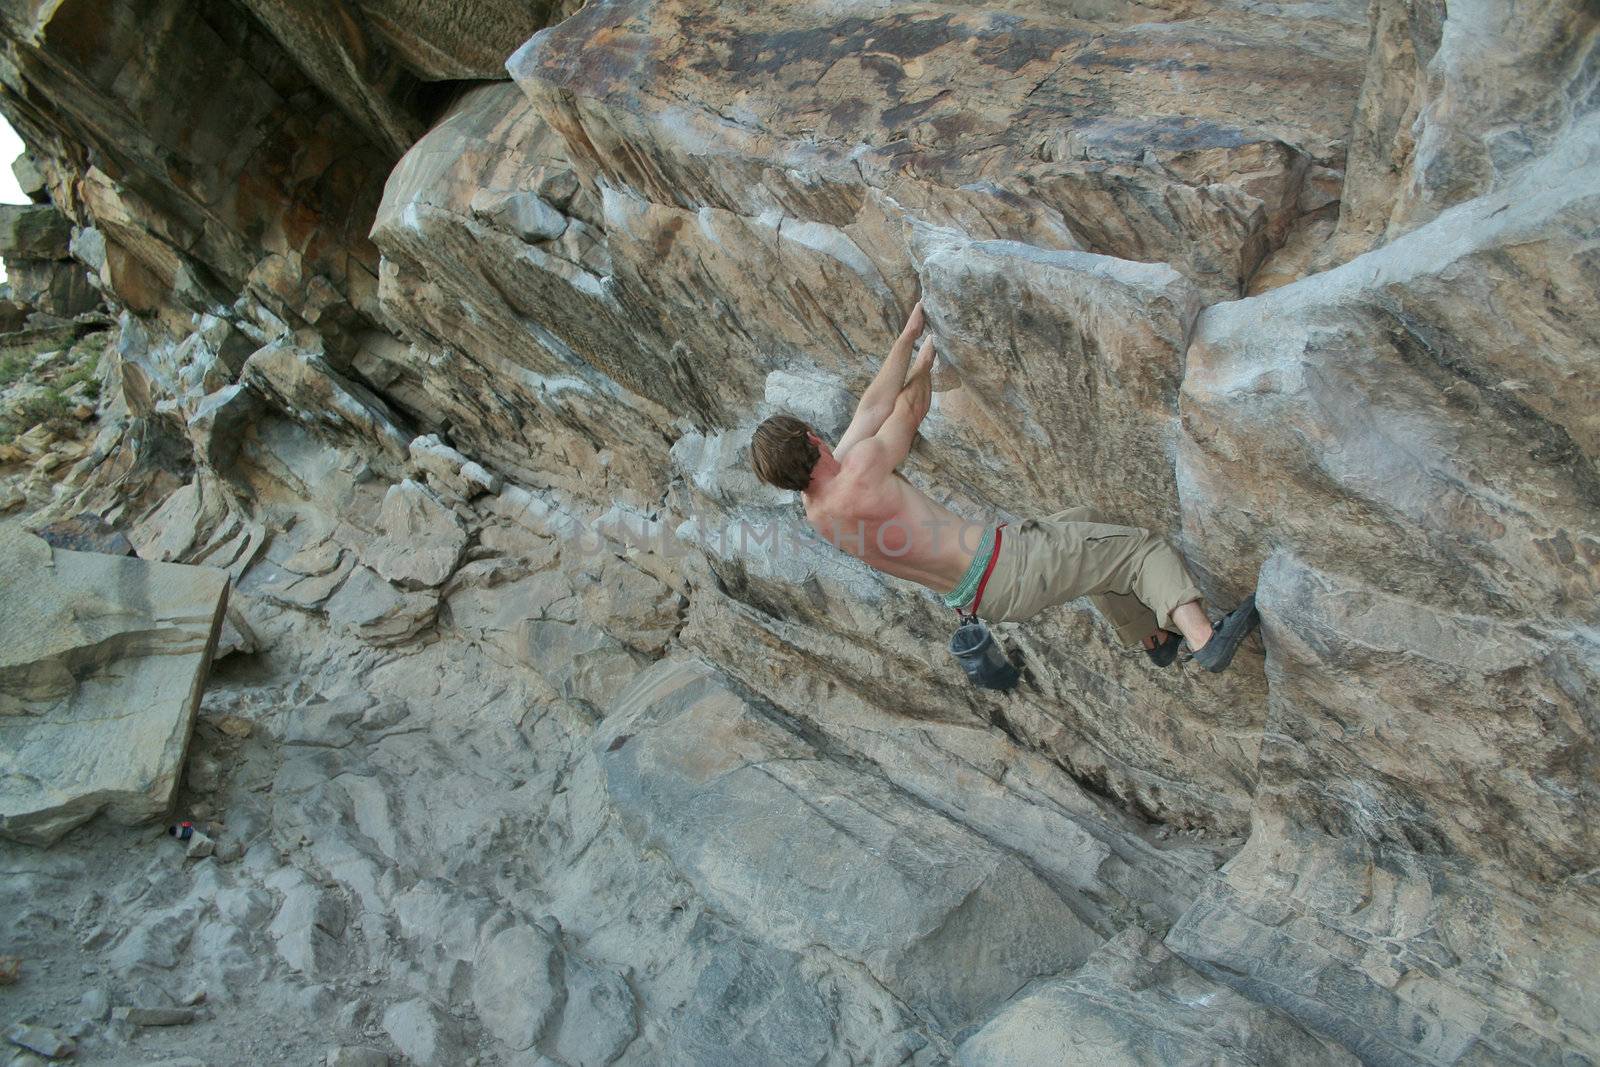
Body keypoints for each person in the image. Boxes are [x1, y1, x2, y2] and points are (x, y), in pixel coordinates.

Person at [748, 300, 1259, 672]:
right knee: (1141, 551)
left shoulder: (819, 509)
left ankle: (1153, 637)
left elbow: (869, 410)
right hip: (1008, 566)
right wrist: (925, 362)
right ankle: (1202, 637)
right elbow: (906, 409)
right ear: (813, 438)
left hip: (982, 598)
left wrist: (907, 339)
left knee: (1083, 528)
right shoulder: (858, 469)